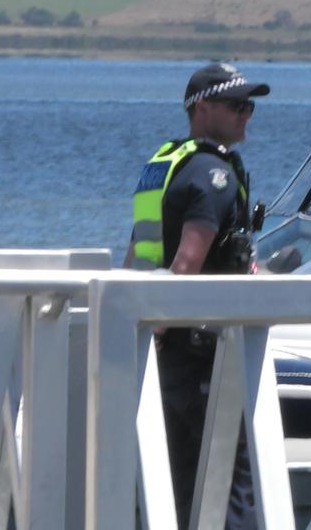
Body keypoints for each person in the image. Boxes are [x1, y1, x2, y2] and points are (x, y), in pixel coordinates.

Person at [125, 62, 270, 529]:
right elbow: (186, 264)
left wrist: (143, 338)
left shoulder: (166, 165)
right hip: (203, 356)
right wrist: (164, 327)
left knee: (178, 486)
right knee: (231, 484)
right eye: (236, 105)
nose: (246, 113)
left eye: (249, 105)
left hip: (166, 354)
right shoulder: (214, 175)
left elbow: (137, 257)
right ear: (201, 109)